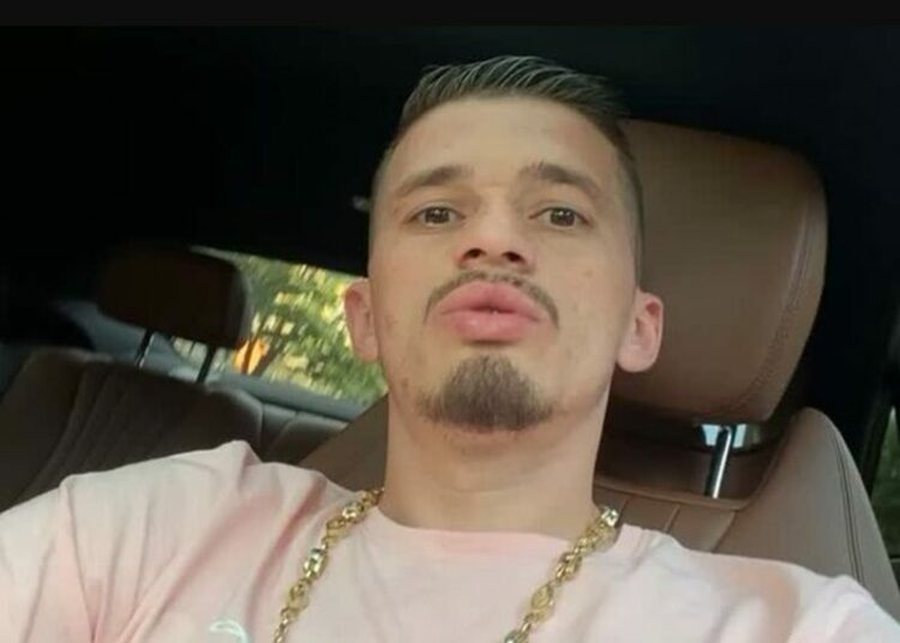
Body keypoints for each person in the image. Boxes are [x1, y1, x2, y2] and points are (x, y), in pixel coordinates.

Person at [2, 55, 898, 643]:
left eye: (560, 213)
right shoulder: (151, 526)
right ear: (364, 318)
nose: (494, 239)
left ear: (641, 325)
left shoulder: (793, 626)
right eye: (437, 211)